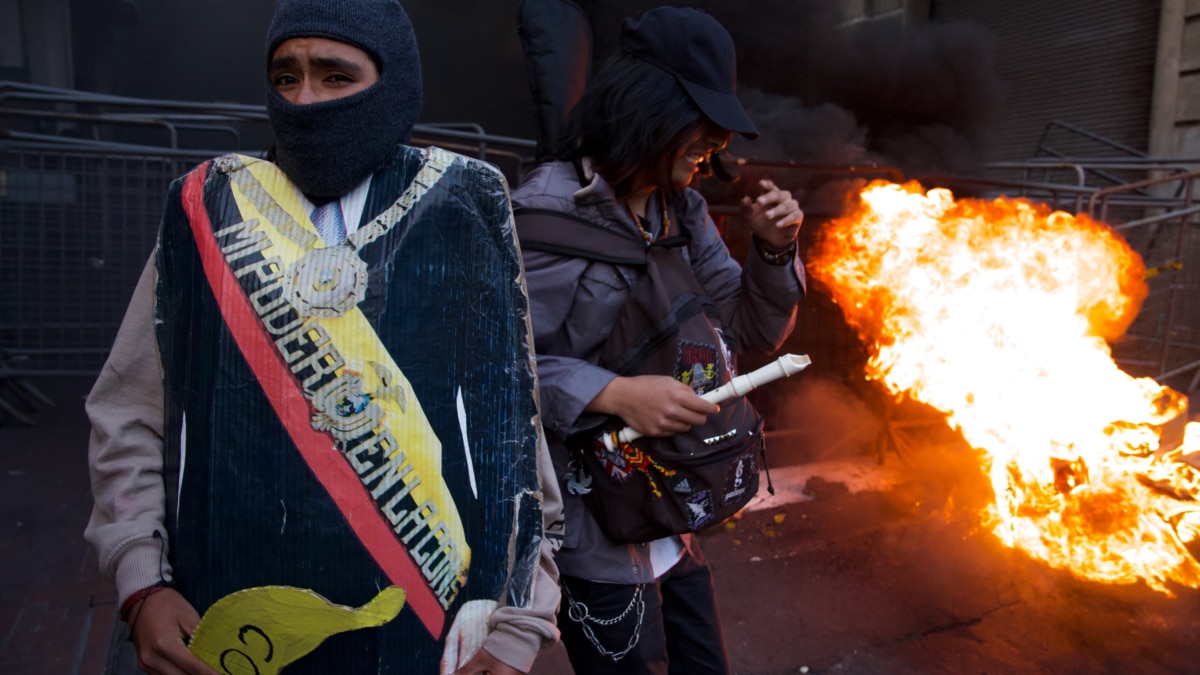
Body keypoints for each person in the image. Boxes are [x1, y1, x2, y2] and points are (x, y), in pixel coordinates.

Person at [83, 1, 562, 674]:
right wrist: (142, 581)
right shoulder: (207, 208)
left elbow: (511, 430)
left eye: (336, 76)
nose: (305, 101)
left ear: (392, 82)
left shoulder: (461, 204)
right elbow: (129, 408)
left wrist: (520, 619)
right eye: (286, 77)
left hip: (416, 623)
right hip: (232, 617)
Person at [510, 6, 804, 675]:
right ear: (651, 110)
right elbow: (500, 366)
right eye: (703, 122)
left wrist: (773, 249)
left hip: (671, 516)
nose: (717, 143)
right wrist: (613, 393)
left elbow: (751, 329)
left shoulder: (683, 210)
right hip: (596, 533)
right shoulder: (548, 212)